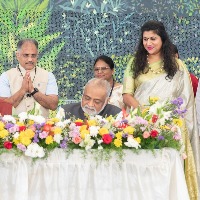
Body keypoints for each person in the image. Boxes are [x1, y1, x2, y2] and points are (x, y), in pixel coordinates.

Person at [122, 20, 200, 199]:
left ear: (163, 40)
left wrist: (166, 118)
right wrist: (146, 114)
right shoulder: (135, 63)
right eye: (145, 39)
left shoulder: (177, 65)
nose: (148, 43)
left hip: (170, 127)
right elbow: (127, 95)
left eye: (153, 39)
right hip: (142, 124)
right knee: (143, 168)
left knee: (168, 170)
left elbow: (185, 101)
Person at [0, 39, 58, 118]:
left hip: (42, 128)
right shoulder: (5, 76)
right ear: (18, 55)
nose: (30, 59)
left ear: (37, 55)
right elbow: (3, 108)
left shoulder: (48, 76)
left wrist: (33, 91)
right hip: (12, 128)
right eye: (26, 55)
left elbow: (53, 105)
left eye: (33, 55)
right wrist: (22, 90)